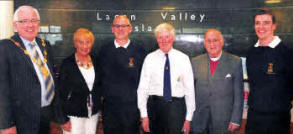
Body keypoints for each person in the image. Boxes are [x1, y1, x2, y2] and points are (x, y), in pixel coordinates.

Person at [0, 5, 67, 134]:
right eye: (24, 21)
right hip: (21, 119)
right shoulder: (5, 47)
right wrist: (6, 124)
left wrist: (60, 117)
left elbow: (51, 80)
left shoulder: (44, 45)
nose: (30, 25)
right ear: (15, 25)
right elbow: (2, 90)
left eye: (33, 20)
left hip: (45, 115)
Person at [137, 23, 195, 134]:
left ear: (173, 38)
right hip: (155, 109)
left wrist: (188, 118)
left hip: (177, 109)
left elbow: (189, 90)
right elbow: (142, 89)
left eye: (167, 37)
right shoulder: (149, 58)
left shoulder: (183, 59)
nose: (164, 40)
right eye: (160, 37)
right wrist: (144, 115)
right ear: (157, 39)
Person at [245, 8, 293, 134]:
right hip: (253, 118)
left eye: (266, 23)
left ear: (274, 26)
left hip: (278, 120)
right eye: (257, 23)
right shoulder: (251, 53)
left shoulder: (287, 52)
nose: (261, 27)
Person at [97, 15, 146, 134]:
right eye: (117, 26)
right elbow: (98, 80)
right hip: (110, 110)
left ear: (130, 28)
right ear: (112, 29)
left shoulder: (140, 51)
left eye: (124, 26)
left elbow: (144, 82)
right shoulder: (103, 51)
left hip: (132, 110)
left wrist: (142, 110)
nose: (120, 29)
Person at [190, 29, 244, 134]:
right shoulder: (195, 62)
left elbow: (239, 94)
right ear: (204, 43)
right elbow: (190, 92)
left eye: (215, 40)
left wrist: (236, 119)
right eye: (208, 41)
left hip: (223, 120)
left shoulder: (235, 61)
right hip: (199, 120)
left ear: (222, 41)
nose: (212, 44)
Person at [58, 28, 102, 134]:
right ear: (75, 44)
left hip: (93, 114)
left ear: (92, 43)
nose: (84, 46)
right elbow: (60, 93)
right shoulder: (67, 64)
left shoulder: (96, 61)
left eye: (88, 42)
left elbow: (100, 87)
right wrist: (63, 119)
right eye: (80, 42)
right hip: (73, 115)